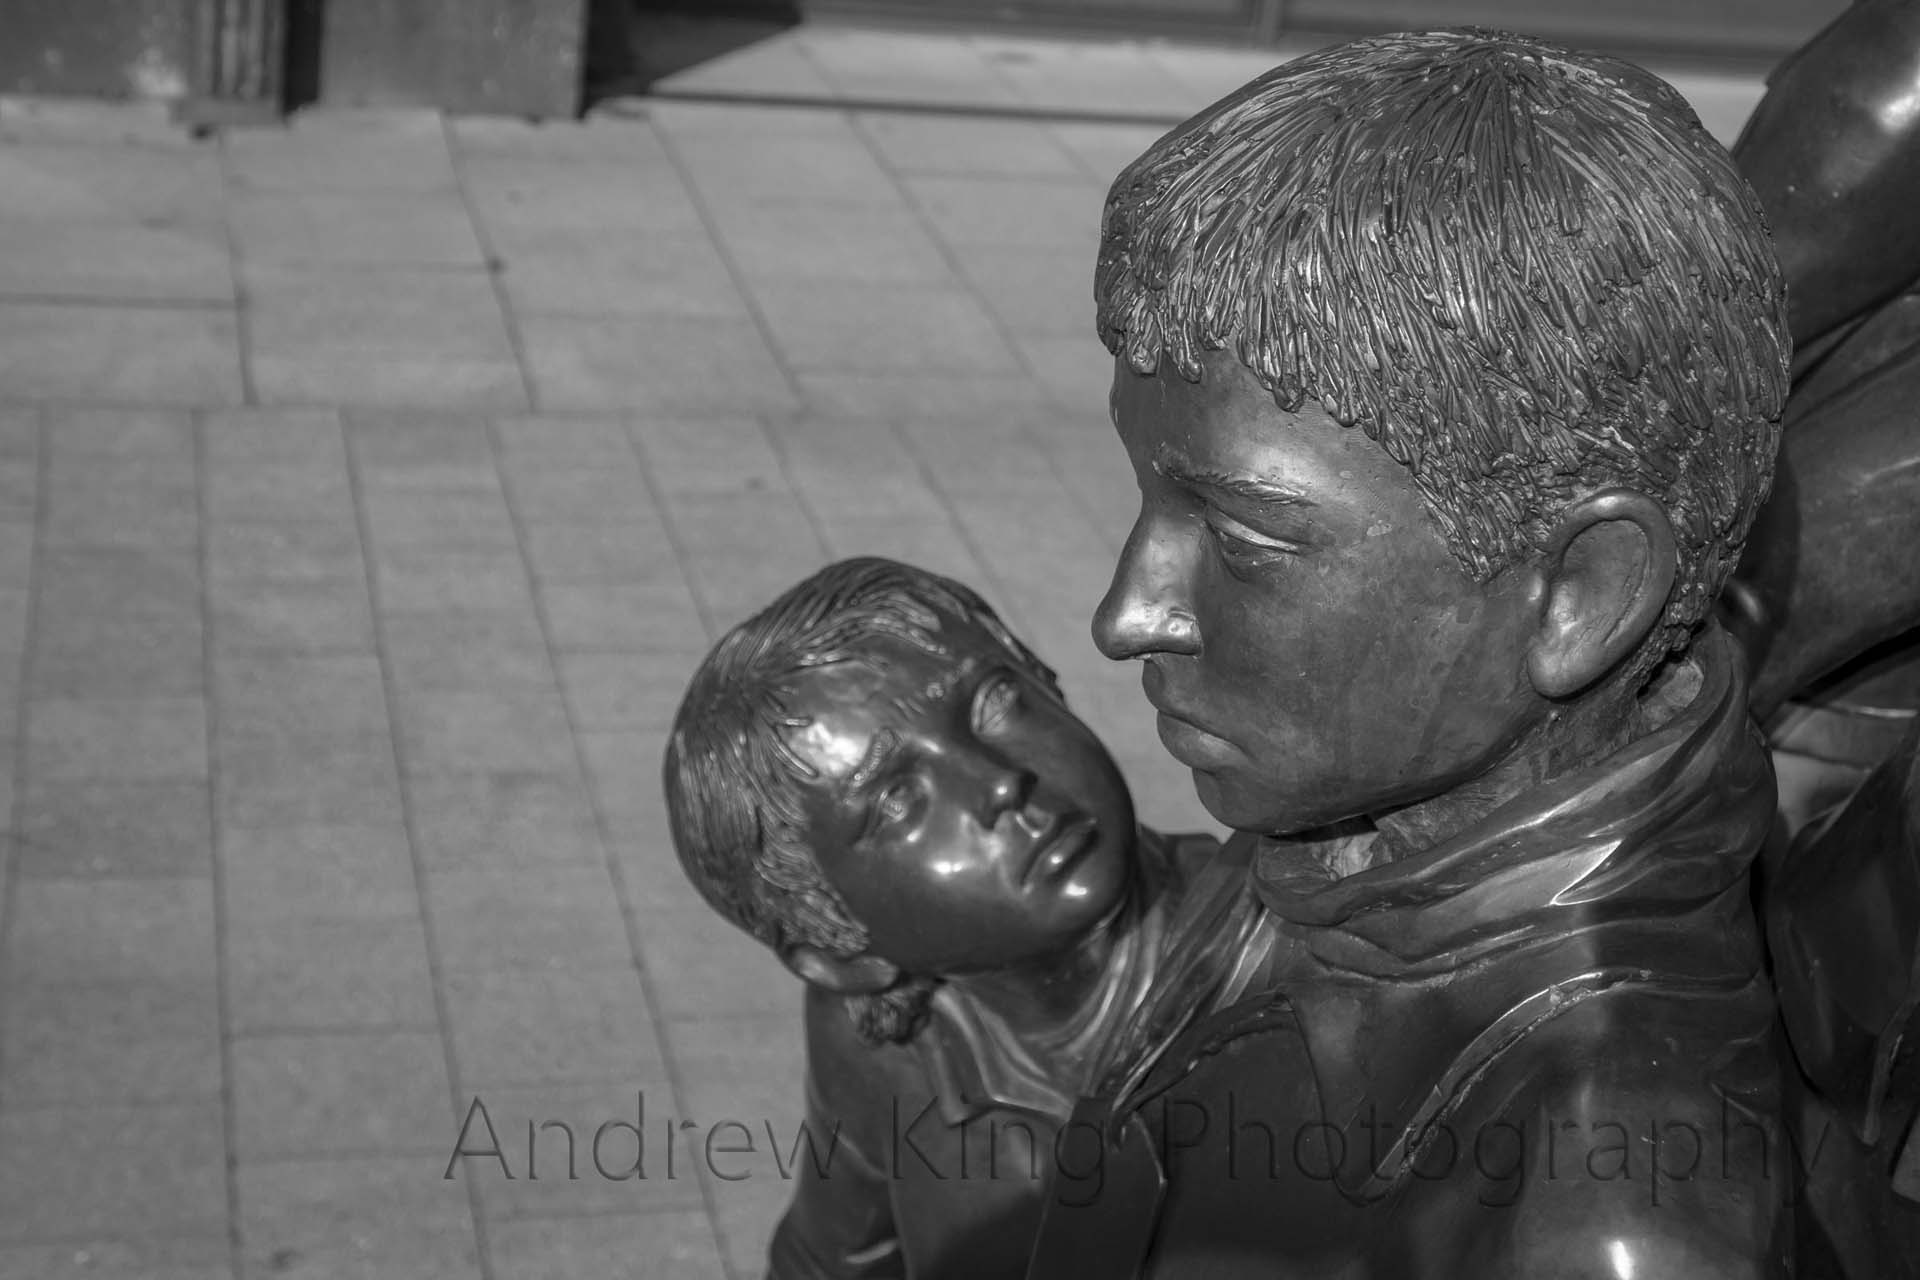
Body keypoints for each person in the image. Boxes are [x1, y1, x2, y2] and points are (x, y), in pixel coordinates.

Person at [1024, 28, 1794, 1278]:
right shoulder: (1357, 842)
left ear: (1579, 597)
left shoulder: (1602, 1222)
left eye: (1244, 536)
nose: (1130, 612)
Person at [663, 556, 1225, 1280]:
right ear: (845, 951)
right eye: (898, 801)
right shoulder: (889, 1037)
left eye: (996, 702)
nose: (1000, 783)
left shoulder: (1290, 953)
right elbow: (830, 1260)